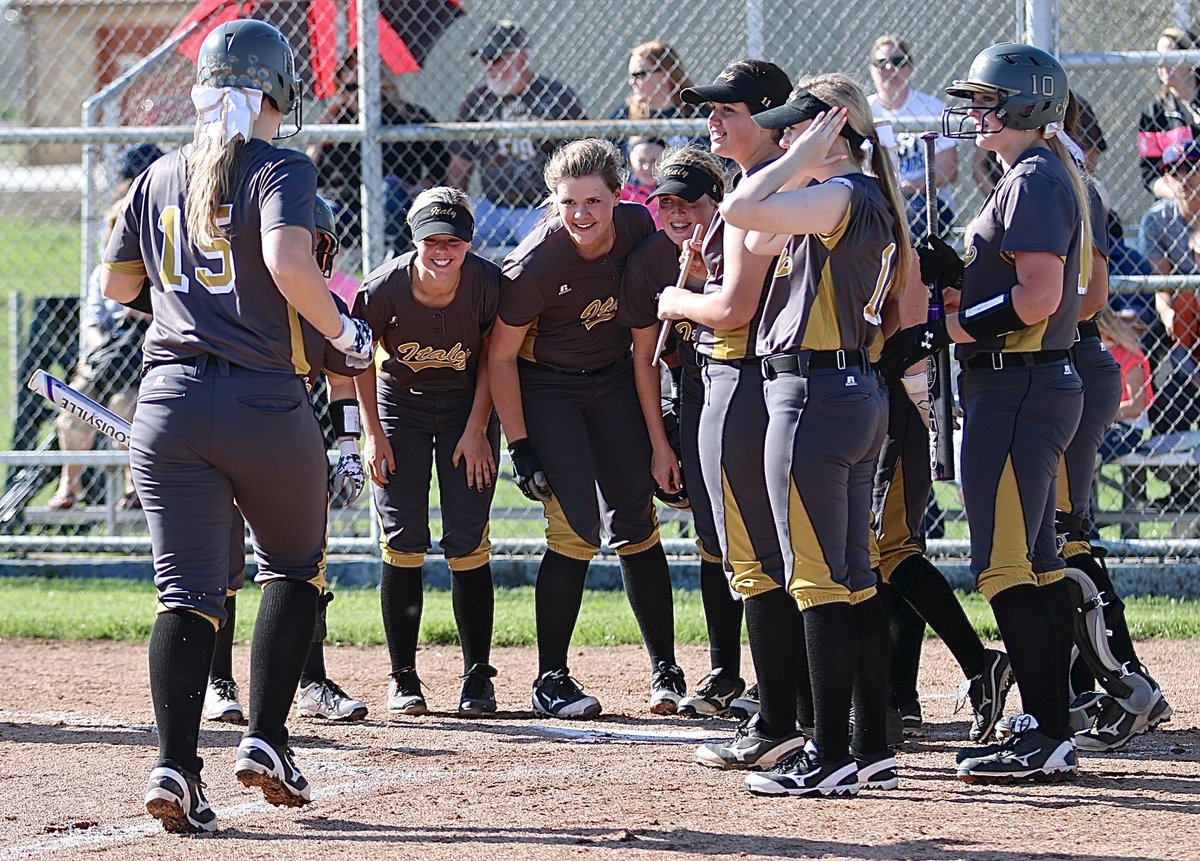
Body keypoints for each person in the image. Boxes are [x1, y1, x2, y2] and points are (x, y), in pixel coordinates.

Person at [101, 19, 373, 833]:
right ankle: (265, 740)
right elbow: (291, 264)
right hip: (263, 400)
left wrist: (194, 312)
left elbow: (117, 289)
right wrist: (345, 333)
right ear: (275, 93)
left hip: (168, 399)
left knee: (186, 593)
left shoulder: (158, 174)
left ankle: (175, 766)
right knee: (292, 570)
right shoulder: (280, 165)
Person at [665, 74, 911, 797]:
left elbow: (742, 203)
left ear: (830, 129)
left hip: (814, 397)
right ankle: (871, 749)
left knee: (817, 583)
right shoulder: (859, 196)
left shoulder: (841, 191)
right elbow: (754, 228)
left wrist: (802, 153)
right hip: (851, 390)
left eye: (797, 126)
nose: (785, 136)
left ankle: (828, 751)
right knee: (853, 579)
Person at [879, 42, 1092, 784]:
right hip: (1027, 383)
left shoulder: (1033, 176)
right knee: (1032, 562)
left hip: (1017, 386)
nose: (976, 113)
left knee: (1003, 565)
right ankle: (1048, 724)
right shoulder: (1040, 171)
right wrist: (960, 277)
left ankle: (1047, 730)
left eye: (988, 101)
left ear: (1028, 104)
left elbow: (1036, 297)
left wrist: (954, 323)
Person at [488, 138, 681, 718]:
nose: (581, 214)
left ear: (618, 196)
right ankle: (550, 677)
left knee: (637, 520)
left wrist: (660, 436)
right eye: (568, 201)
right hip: (550, 386)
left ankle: (666, 671)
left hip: (617, 378)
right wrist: (519, 446)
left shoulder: (636, 227)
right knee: (575, 528)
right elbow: (499, 358)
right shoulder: (535, 263)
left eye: (593, 200)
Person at [658, 60, 815, 771]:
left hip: (747, 379)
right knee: (782, 557)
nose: (715, 121)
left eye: (731, 110)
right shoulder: (788, 183)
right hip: (773, 382)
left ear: (772, 113)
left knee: (754, 559)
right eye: (711, 110)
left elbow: (734, 310)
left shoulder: (764, 189)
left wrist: (676, 300)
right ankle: (805, 710)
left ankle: (780, 716)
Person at [203, 196, 370, 727]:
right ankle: (217, 680)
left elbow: (343, 382)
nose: (312, 252)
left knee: (303, 566)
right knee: (216, 563)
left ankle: (311, 681)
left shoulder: (320, 305)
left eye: (317, 243)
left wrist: (347, 448)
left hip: (285, 438)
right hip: (219, 436)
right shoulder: (224, 304)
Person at [617, 145, 757, 718]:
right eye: (667, 203)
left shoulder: (744, 243)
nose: (678, 215)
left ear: (717, 201)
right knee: (712, 533)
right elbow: (645, 359)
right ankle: (724, 669)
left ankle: (789, 678)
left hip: (757, 390)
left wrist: (698, 288)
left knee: (760, 536)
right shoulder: (654, 258)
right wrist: (658, 444)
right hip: (698, 398)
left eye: (689, 203)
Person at [353, 188, 502, 718]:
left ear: (469, 242)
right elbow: (359, 363)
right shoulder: (383, 287)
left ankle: (477, 676)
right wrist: (373, 434)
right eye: (431, 240)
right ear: (414, 240)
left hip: (468, 407)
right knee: (403, 538)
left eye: (454, 241)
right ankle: (403, 675)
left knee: (466, 539)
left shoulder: (486, 282)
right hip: (400, 409)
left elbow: (494, 359)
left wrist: (478, 427)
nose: (442, 250)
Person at [49, 144, 163, 510]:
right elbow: (92, 324)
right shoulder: (103, 274)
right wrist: (100, 351)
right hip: (107, 359)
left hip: (142, 365)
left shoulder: (159, 271)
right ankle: (70, 486)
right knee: (73, 409)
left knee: (124, 406)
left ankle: (135, 490)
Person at [447, 21, 586, 248]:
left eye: (496, 58)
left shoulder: (556, 96)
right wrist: (452, 212)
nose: (488, 67)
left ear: (521, 59)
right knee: (448, 235)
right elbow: (460, 165)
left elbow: (579, 162)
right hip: (492, 208)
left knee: (539, 250)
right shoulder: (477, 101)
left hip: (541, 206)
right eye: (485, 59)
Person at [306, 55, 448, 256]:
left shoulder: (407, 116)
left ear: (381, 84)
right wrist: (317, 141)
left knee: (391, 188)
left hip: (393, 210)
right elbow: (310, 179)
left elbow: (440, 162)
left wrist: (422, 188)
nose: (357, 96)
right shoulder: (335, 121)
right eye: (349, 88)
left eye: (363, 86)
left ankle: (397, 266)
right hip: (346, 209)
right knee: (317, 211)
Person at [867, 35, 958, 241]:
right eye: (881, 63)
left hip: (923, 200)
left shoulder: (932, 108)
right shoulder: (864, 110)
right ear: (872, 70)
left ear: (910, 68)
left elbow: (948, 170)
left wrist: (909, 187)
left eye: (898, 62)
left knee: (909, 218)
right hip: (877, 196)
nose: (890, 68)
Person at [1138, 140, 1200, 434]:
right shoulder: (1158, 219)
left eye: (1192, 167)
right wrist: (1168, 318)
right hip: (1185, 318)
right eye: (1174, 170)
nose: (1184, 176)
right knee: (1184, 298)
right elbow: (1163, 287)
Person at [1138, 27, 1200, 198]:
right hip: (1176, 201)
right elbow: (1149, 174)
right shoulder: (1153, 112)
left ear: (1191, 60)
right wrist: (1183, 195)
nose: (1163, 64)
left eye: (1170, 57)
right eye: (1159, 58)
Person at [611, 40, 702, 152]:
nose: (632, 82)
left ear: (665, 73)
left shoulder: (695, 110)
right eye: (631, 76)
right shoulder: (625, 112)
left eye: (639, 74)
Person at [1097, 308, 1154, 462]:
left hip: (1127, 429)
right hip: (1100, 424)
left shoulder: (1128, 356)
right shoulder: (1093, 356)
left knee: (1087, 453)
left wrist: (1098, 414)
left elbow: (1136, 407)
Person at [620, 136, 667, 228]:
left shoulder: (672, 193)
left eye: (655, 161)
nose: (647, 167)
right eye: (641, 160)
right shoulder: (621, 193)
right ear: (629, 162)